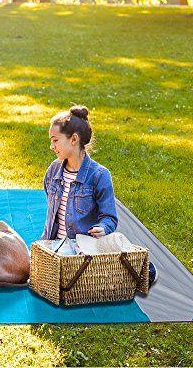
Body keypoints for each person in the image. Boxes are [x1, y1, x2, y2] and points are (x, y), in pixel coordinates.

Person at [41, 105, 157, 286]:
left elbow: (109, 217)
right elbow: (51, 206)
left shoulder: (99, 175)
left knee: (98, 278)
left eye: (55, 140)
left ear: (73, 139)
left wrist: (103, 228)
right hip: (54, 248)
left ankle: (142, 268)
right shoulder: (53, 171)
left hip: (84, 250)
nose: (51, 146)